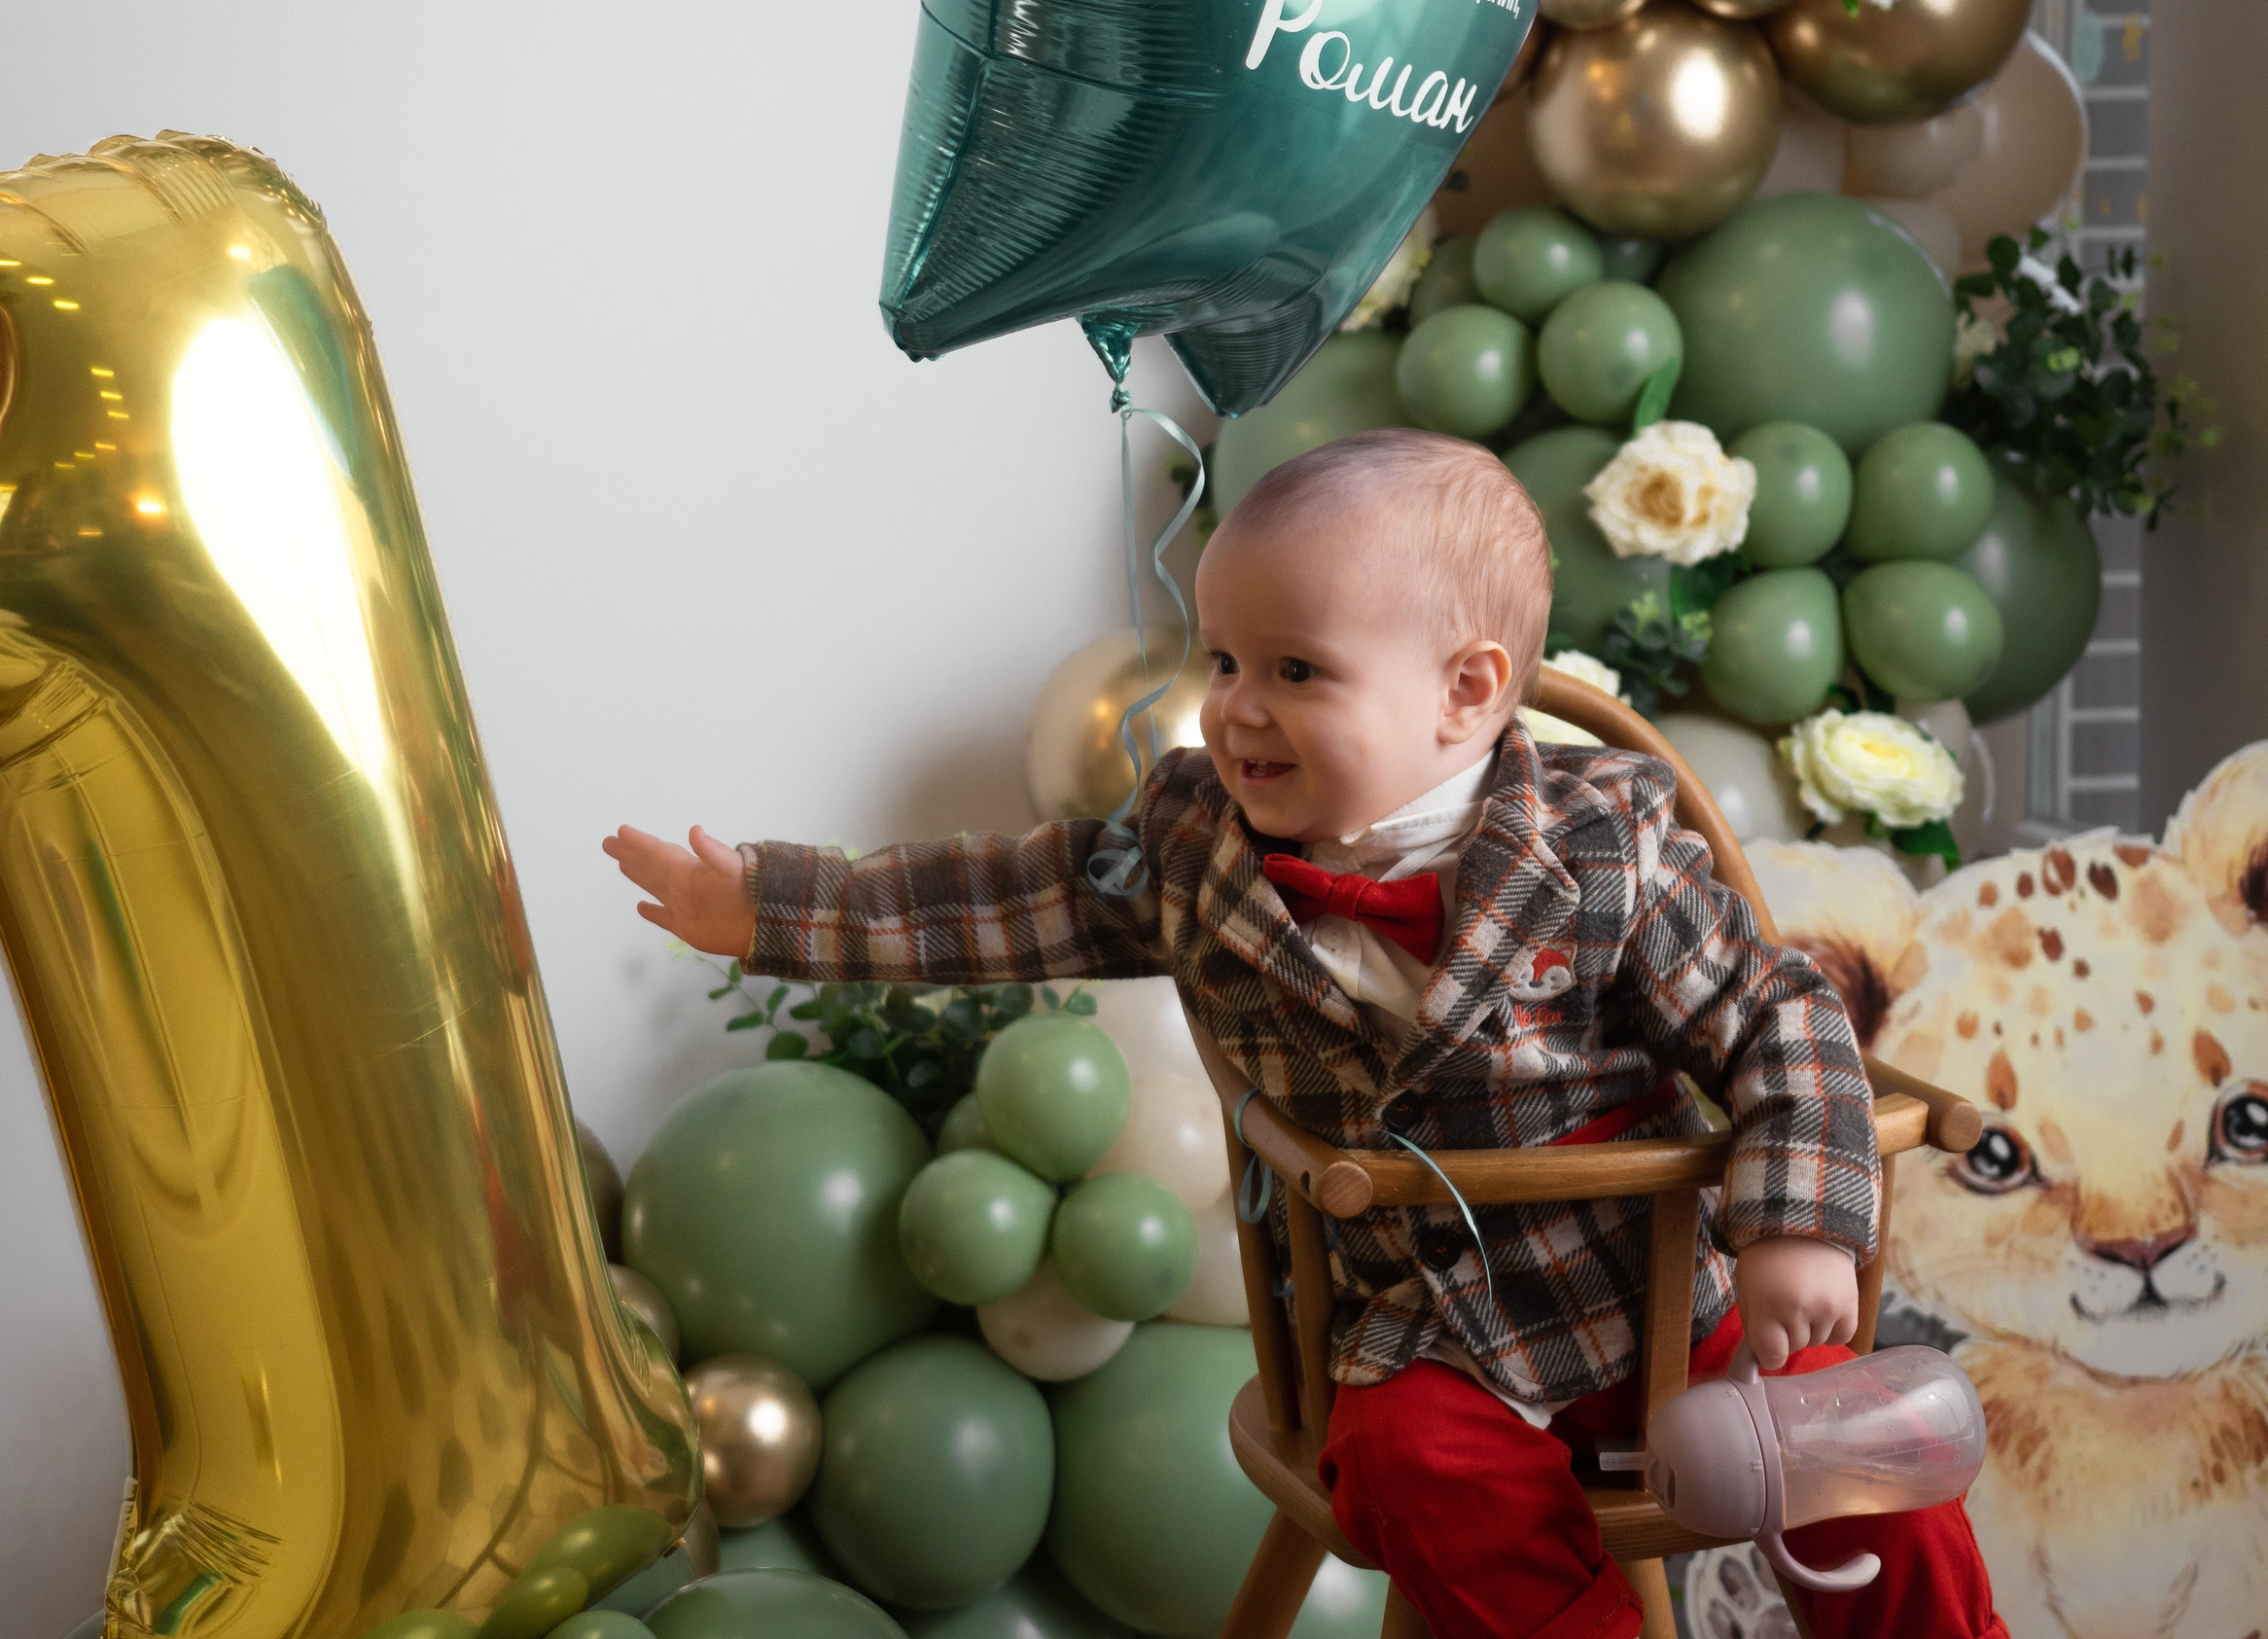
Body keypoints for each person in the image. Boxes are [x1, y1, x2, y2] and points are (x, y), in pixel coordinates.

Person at [606, 429, 2005, 1639]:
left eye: (1295, 668)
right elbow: (998, 897)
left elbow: (1780, 1019)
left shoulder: (1607, 841)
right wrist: (776, 909)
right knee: (1408, 1467)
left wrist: (1798, 1224)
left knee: (1865, 1451)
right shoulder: (1195, 849)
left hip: (1665, 1293)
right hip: (1427, 1316)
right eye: (1224, 659)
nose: (1235, 707)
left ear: (1467, 690)